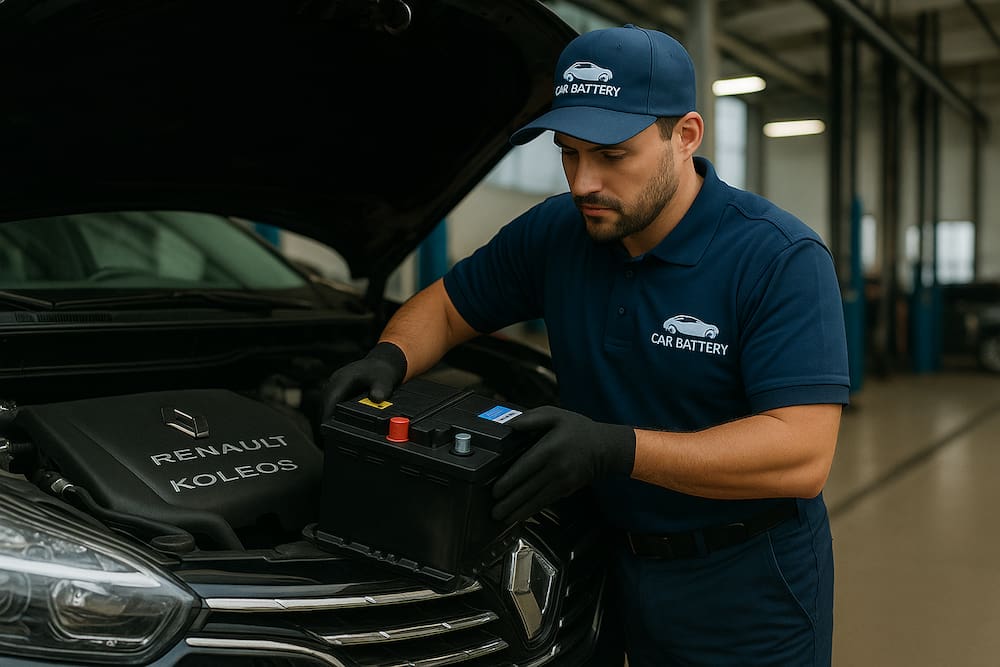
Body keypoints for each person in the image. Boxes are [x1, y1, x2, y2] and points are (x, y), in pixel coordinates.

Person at [322, 23, 848, 667]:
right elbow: (447, 308)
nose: (582, 182)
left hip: (743, 585)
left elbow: (801, 453)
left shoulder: (777, 258)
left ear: (685, 136)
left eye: (612, 155)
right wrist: (390, 356)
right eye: (568, 153)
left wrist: (614, 450)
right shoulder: (559, 231)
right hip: (602, 564)